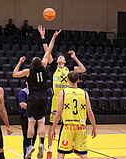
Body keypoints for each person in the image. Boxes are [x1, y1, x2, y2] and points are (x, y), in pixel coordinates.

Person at [38, 25, 87, 159]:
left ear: (65, 60)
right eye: (58, 56)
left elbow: (83, 70)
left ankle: (71, 145)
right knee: (51, 125)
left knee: (68, 126)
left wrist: (75, 57)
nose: (60, 57)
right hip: (56, 99)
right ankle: (49, 150)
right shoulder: (53, 67)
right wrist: (47, 37)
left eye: (62, 57)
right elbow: (47, 51)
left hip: (68, 99)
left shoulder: (70, 69)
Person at [51, 71, 97, 159]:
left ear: (67, 80)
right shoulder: (84, 93)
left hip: (68, 127)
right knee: (83, 154)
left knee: (61, 153)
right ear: (78, 80)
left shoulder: (63, 92)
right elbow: (90, 112)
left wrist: (53, 129)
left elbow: (58, 113)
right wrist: (94, 127)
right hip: (81, 127)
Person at [13, 54, 51, 159]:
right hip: (44, 96)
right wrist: (50, 38)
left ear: (32, 65)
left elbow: (15, 74)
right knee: (42, 121)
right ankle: (42, 143)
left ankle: (29, 146)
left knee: (31, 122)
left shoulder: (28, 71)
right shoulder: (44, 67)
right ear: (41, 63)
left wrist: (20, 62)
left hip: (33, 97)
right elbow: (47, 52)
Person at [18, 80, 38, 159]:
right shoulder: (23, 92)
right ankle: (26, 155)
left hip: (35, 117)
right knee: (26, 136)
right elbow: (22, 105)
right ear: (26, 82)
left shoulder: (37, 92)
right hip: (25, 116)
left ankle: (30, 151)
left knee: (34, 136)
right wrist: (34, 108)